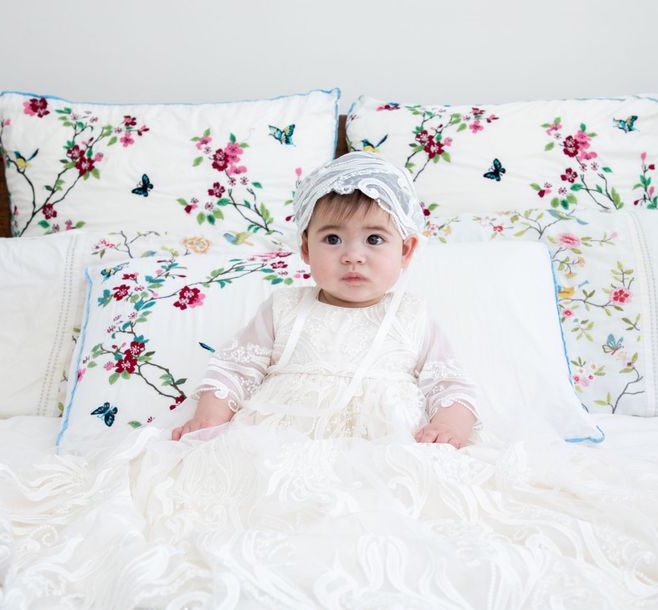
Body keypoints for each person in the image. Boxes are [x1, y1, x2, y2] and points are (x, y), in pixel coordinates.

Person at [171, 152, 478, 446]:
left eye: (374, 239)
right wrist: (209, 419)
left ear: (405, 250)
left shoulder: (411, 316)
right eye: (333, 239)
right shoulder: (284, 309)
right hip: (279, 443)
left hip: (382, 447)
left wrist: (448, 427)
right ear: (305, 249)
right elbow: (234, 371)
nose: (353, 256)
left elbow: (449, 387)